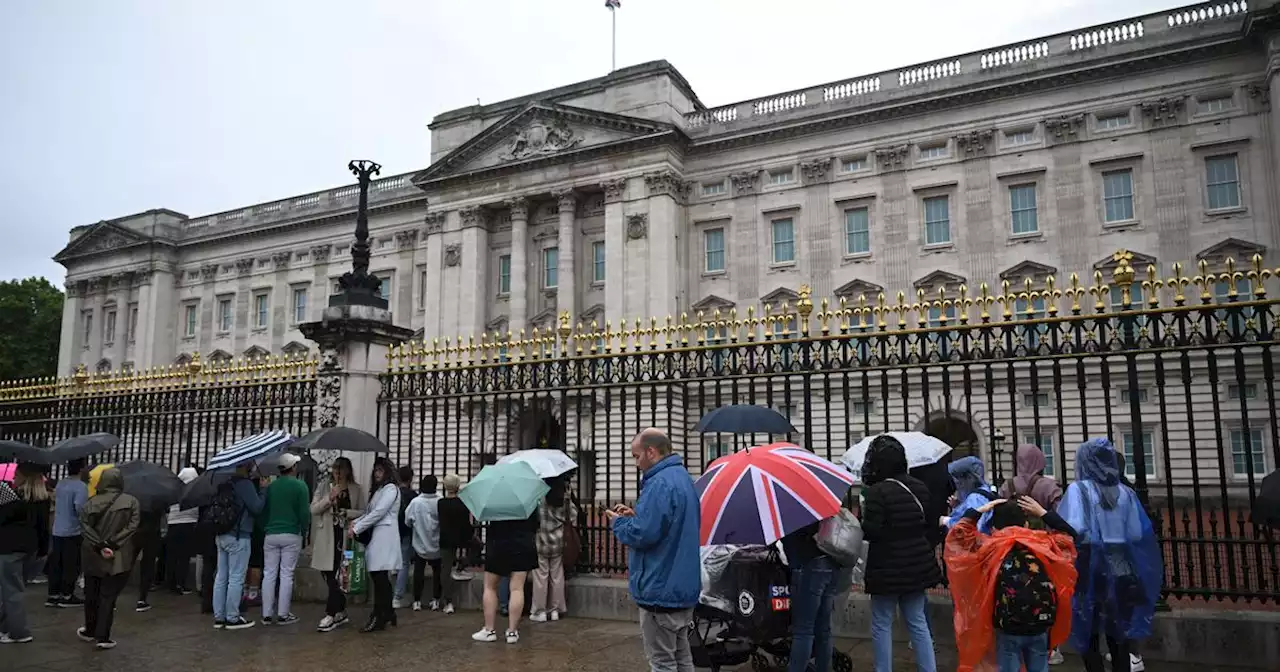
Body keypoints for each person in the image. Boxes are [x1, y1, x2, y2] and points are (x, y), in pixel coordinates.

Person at [1057, 439, 1161, 672]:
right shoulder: (1126, 492)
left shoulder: (1079, 489)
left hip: (1091, 567)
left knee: (1089, 634)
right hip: (1122, 566)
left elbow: (1076, 527)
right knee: (1120, 635)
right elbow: (1135, 533)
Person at [944, 496, 1078, 672]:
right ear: (1027, 525)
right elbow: (1069, 535)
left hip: (1007, 624)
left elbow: (958, 535)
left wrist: (978, 511)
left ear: (993, 528)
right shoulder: (1043, 544)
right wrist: (1044, 513)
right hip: (1040, 622)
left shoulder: (990, 547)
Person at [606, 428, 701, 672]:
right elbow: (668, 524)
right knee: (682, 658)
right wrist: (638, 516)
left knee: (662, 663)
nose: (636, 463)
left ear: (651, 451)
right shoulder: (682, 477)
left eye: (637, 456)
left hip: (660, 587)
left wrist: (619, 523)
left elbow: (642, 534)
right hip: (682, 587)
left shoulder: (659, 483)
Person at [860, 434, 942, 672]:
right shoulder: (919, 487)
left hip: (886, 567)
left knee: (882, 623)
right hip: (916, 564)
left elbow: (872, 531)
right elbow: (929, 524)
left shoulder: (877, 492)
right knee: (917, 622)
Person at [997, 444, 1067, 666]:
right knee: (1046, 593)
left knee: (1011, 591)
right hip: (1043, 549)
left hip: (1011, 547)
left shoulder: (1008, 485)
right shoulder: (1049, 486)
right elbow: (1061, 517)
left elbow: (997, 515)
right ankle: (1052, 646)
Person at [76, 467, 140, 650]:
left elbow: (84, 526)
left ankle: (90, 629)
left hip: (92, 554)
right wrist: (112, 543)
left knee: (91, 593)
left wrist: (100, 544)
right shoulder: (132, 501)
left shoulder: (91, 502)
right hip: (118, 554)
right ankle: (103, 636)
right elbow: (132, 526)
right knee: (108, 596)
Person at [311, 457, 364, 632]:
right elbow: (313, 509)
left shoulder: (356, 489)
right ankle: (340, 609)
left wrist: (347, 512)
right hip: (327, 535)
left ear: (348, 471)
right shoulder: (324, 486)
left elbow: (363, 511)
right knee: (328, 573)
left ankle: (331, 613)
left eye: (341, 469)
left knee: (340, 574)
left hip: (346, 538)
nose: (338, 473)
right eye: (335, 469)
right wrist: (329, 498)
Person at [472, 504, 537, 644]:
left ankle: (489, 630)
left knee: (490, 587)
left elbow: (485, 516)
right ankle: (512, 631)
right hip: (522, 543)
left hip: (498, 543)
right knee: (517, 588)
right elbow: (535, 524)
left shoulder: (496, 498)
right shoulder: (527, 498)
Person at [350, 457, 402, 633]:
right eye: (375, 470)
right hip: (377, 537)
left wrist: (357, 528)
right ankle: (386, 612)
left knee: (379, 576)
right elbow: (369, 512)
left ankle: (380, 614)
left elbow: (379, 513)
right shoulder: (379, 490)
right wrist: (356, 522)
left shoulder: (390, 489)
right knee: (379, 577)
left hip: (385, 536)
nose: (377, 474)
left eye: (380, 470)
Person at [781, 518, 840, 672]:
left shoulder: (788, 509)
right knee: (823, 629)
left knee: (803, 630)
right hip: (830, 562)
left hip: (807, 566)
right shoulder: (814, 502)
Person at [212, 463, 265, 630]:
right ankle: (233, 617)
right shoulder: (245, 484)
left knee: (221, 577)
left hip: (222, 534)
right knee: (236, 577)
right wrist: (263, 490)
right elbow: (256, 507)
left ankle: (219, 616)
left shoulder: (226, 483)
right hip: (239, 535)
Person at [1, 463, 49, 644]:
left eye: (17, 475)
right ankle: (5, 626)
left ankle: (19, 632)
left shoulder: (11, 498)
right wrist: (43, 550)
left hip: (8, 548)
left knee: (11, 591)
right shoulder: (42, 498)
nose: (14, 478)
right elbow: (43, 527)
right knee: (12, 589)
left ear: (24, 477)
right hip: (31, 548)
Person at [261, 453, 309, 626]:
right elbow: (304, 513)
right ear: (293, 468)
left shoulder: (271, 487)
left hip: (271, 533)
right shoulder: (300, 486)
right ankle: (283, 614)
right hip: (291, 533)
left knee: (269, 573)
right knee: (286, 574)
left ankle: (266, 614)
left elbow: (264, 511)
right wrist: (304, 529)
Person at [531, 477, 578, 622]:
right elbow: (574, 516)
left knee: (540, 577)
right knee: (557, 576)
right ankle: (556, 609)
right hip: (558, 541)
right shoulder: (564, 498)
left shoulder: (539, 496)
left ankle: (540, 610)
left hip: (541, 541)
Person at [47, 458, 88, 608]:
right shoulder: (81, 486)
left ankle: (53, 594)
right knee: (71, 564)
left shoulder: (61, 484)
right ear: (81, 469)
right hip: (73, 530)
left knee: (57, 563)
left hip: (58, 528)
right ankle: (67, 595)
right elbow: (79, 507)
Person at [404, 475, 443, 611]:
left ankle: (417, 601)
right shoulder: (440, 500)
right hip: (437, 544)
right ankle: (436, 599)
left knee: (418, 573)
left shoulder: (416, 502)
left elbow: (407, 521)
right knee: (438, 572)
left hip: (420, 543)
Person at [437, 473, 471, 615]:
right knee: (479, 547)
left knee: (445, 569)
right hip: (461, 537)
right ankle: (461, 566)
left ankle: (448, 601)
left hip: (446, 537)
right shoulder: (463, 503)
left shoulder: (441, 503)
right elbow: (466, 523)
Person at [165, 467, 200, 596]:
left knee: (172, 556)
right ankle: (181, 583)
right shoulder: (194, 490)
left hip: (173, 524)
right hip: (188, 524)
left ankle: (170, 582)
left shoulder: (174, 490)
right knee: (184, 557)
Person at [946, 456, 998, 533]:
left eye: (959, 479)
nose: (957, 483)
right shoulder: (985, 490)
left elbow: (972, 528)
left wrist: (947, 521)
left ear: (970, 478)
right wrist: (959, 506)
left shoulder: (975, 498)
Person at [393, 465, 416, 609]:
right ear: (411, 478)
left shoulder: (393, 493)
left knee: (392, 562)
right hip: (407, 531)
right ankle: (397, 596)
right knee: (404, 563)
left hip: (392, 530)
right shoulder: (413, 495)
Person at [133, 510, 163, 612]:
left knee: (127, 565)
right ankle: (142, 599)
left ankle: (112, 600)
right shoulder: (157, 499)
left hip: (134, 532)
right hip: (152, 533)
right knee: (147, 566)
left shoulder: (135, 498)